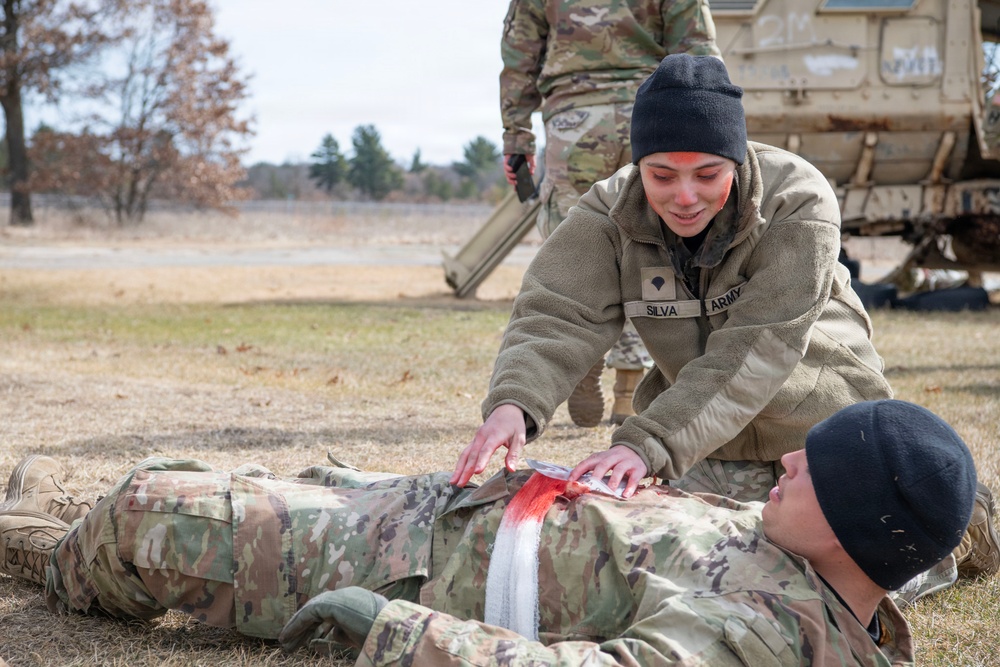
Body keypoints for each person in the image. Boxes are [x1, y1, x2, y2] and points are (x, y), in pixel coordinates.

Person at [1, 400, 997, 665]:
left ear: (857, 525)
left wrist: (390, 630)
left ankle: (46, 558)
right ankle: (44, 518)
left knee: (145, 513)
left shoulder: (772, 634)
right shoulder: (852, 567)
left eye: (812, 466)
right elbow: (955, 523)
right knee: (235, 481)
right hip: (452, 507)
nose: (787, 463)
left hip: (399, 565)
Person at [454, 53, 895, 505]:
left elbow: (760, 346)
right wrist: (514, 402)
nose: (685, 198)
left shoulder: (795, 201)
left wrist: (646, 443)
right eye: (661, 175)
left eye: (708, 175)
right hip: (704, 446)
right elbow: (556, 313)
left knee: (887, 542)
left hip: (823, 435)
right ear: (639, 165)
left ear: (737, 161)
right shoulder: (609, 214)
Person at [500, 0, 721, 426]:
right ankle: (630, 386)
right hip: (653, 115)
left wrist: (517, 139)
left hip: (574, 118)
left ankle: (581, 357)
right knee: (657, 245)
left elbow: (519, 52)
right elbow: (697, 45)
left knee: (575, 251)